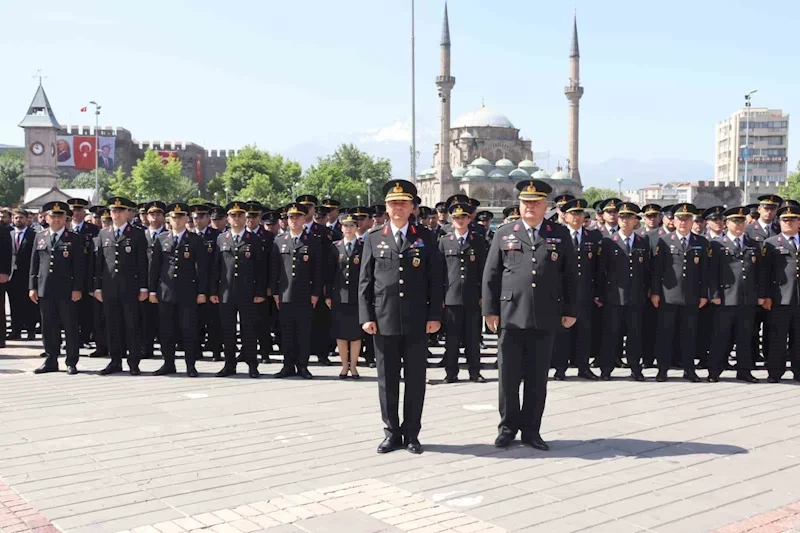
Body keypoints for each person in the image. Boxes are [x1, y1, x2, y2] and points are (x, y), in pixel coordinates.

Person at [483, 179, 577, 451]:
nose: (531, 207)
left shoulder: (558, 234)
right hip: (510, 315)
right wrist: (490, 310)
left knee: (537, 378)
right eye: (526, 202)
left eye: (536, 203)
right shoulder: (504, 233)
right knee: (508, 377)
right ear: (520, 204)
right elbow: (491, 275)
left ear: (545, 205)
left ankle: (531, 430)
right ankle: (507, 428)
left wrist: (571, 309)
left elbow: (570, 275)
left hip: (545, 315)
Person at [359, 180, 443, 455]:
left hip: (417, 320)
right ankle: (391, 432)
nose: (398, 208)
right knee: (387, 379)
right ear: (386, 207)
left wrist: (434, 316)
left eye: (404, 203)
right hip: (383, 320)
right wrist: (367, 316)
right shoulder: (374, 237)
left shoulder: (426, 237)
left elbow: (436, 281)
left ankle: (412, 434)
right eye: (394, 203)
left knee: (416, 379)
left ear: (412, 207)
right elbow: (365, 283)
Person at [651, 203, 709, 382]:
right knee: (665, 335)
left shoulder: (701, 242)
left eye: (687, 219)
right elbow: (657, 270)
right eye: (680, 219)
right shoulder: (664, 241)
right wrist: (655, 292)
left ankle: (689, 369)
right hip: (668, 295)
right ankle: (662, 370)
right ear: (674, 221)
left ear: (692, 221)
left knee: (689, 335)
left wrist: (704, 294)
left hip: (691, 296)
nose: (683, 222)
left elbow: (705, 272)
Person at [149, 203, 208, 377]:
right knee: (166, 330)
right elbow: (155, 267)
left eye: (181, 216)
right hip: (166, 292)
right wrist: (152, 290)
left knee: (188, 330)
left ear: (186, 218)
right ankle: (168, 363)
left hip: (188, 292)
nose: (177, 220)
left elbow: (202, 268)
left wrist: (201, 292)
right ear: (169, 219)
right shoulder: (161, 239)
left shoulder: (195, 239)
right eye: (174, 217)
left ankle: (190, 365)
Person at [210, 202, 266, 378]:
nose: (236, 219)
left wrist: (259, 292)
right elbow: (216, 268)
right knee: (228, 330)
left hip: (247, 292)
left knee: (249, 329)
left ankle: (252, 364)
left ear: (245, 218)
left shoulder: (254, 239)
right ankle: (229, 364)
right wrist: (213, 291)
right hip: (226, 292)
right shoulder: (221, 239)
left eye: (240, 215)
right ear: (228, 218)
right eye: (233, 215)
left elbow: (260, 268)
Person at [94, 197, 149, 375]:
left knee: (132, 325)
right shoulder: (103, 233)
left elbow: (142, 263)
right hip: (109, 288)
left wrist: (143, 287)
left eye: (120, 211)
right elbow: (99, 263)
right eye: (113, 211)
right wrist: (97, 287)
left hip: (130, 287)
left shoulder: (137, 233)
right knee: (112, 325)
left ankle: (133, 362)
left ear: (127, 213)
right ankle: (115, 361)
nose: (116, 214)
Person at [595, 202, 650, 381]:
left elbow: (647, 271)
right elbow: (601, 271)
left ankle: (636, 368)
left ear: (636, 221)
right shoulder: (609, 242)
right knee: (611, 334)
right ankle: (606, 369)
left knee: (635, 334)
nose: (625, 221)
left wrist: (647, 292)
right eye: (623, 217)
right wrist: (600, 294)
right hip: (614, 296)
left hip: (636, 296)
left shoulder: (642, 242)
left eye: (630, 217)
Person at [29, 202, 86, 374]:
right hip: (45, 289)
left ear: (65, 218)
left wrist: (77, 288)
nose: (56, 219)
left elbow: (79, 267)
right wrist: (32, 287)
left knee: (70, 326)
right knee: (48, 326)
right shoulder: (40, 236)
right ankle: (51, 359)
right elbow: (34, 264)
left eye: (60, 216)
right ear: (46, 218)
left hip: (67, 290)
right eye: (53, 216)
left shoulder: (73, 238)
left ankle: (71, 361)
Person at [707, 207, 762, 383]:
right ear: (727, 223)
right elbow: (712, 272)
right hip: (725, 297)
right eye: (734, 221)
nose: (738, 225)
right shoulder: (717, 244)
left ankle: (744, 371)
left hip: (747, 297)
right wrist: (714, 294)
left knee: (745, 337)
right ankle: (714, 371)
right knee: (721, 336)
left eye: (741, 221)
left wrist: (760, 294)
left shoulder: (753, 244)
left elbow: (759, 273)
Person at [270, 203, 322, 379]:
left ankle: (303, 366)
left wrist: (315, 293)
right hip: (284, 294)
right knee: (286, 332)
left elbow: (317, 270)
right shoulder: (279, 241)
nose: (293, 220)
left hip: (304, 294)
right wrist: (275, 293)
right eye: (290, 217)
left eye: (297, 217)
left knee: (303, 332)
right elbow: (274, 269)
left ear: (303, 219)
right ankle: (287, 365)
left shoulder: (312, 240)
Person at [552, 198, 601, 381]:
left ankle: (583, 367)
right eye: (573, 213)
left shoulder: (593, 237)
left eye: (580, 213)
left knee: (584, 332)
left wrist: (597, 292)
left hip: (585, 293)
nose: (577, 217)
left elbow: (598, 267)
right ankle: (560, 368)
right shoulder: (559, 235)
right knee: (562, 333)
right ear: (565, 216)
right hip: (563, 293)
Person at [439, 202, 487, 383]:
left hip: (472, 296)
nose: (460, 220)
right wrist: (440, 297)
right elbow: (440, 272)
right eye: (456, 218)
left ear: (469, 219)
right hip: (451, 297)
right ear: (452, 220)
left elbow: (484, 270)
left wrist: (484, 295)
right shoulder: (444, 242)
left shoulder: (478, 240)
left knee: (473, 338)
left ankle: (475, 372)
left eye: (463, 217)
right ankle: (451, 372)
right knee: (451, 339)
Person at [763, 205, 800, 383]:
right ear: (779, 222)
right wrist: (766, 296)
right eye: (785, 219)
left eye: (792, 219)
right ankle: (775, 372)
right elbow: (765, 272)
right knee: (777, 337)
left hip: (799, 299)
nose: (788, 222)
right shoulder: (771, 243)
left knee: (798, 338)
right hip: (780, 298)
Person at [330, 212, 363, 379]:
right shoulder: (335, 247)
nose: (348, 229)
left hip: (357, 297)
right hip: (339, 297)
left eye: (351, 226)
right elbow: (330, 273)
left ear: (357, 228)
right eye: (345, 226)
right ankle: (344, 366)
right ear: (341, 228)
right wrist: (328, 295)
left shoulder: (363, 246)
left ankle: (354, 366)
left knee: (356, 334)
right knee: (341, 334)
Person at [67, 198, 100, 347]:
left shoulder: (92, 230)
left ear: (84, 212)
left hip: (87, 272)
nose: (76, 213)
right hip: (69, 274)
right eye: (74, 210)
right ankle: (71, 338)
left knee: (86, 307)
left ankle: (85, 337)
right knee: (70, 309)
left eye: (79, 210)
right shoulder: (66, 229)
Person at [193, 204, 222, 361]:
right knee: (194, 321)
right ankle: (196, 351)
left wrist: (213, 288)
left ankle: (216, 351)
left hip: (211, 284)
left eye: (201, 217)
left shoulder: (217, 236)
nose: (197, 220)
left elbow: (217, 264)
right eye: (195, 217)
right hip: (193, 284)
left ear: (207, 218)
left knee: (213, 321)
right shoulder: (189, 236)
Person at [7, 209, 37, 341]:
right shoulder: (9, 234)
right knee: (14, 304)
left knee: (29, 304)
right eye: (16, 218)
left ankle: (31, 330)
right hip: (12, 275)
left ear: (26, 219)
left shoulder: (33, 235)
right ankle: (16, 330)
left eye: (21, 218)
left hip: (27, 275)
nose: (18, 220)